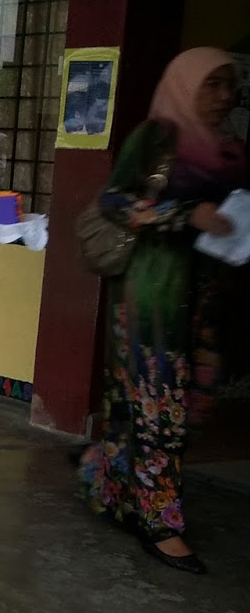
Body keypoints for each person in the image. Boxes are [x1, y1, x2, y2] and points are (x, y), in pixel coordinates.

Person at [78, 48, 245, 574]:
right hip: (153, 294)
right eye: (211, 84)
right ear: (185, 85)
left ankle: (108, 483)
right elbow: (112, 201)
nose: (224, 96)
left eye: (230, 85)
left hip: (206, 297)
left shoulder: (233, 150)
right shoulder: (155, 139)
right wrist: (181, 213)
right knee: (159, 411)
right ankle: (160, 523)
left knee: (187, 406)